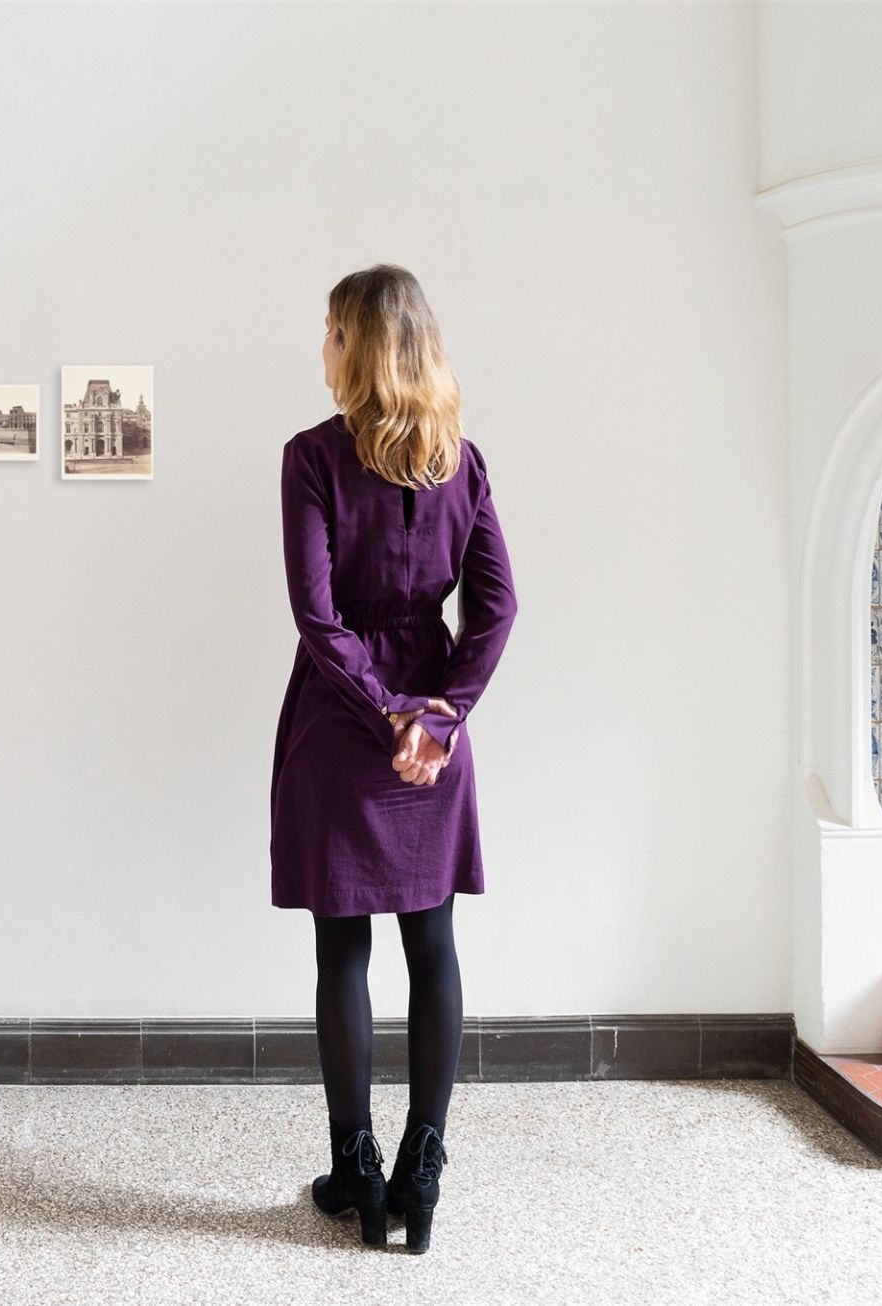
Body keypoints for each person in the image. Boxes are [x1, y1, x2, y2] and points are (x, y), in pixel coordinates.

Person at [269, 263, 519, 1253]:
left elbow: (318, 618)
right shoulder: (464, 461)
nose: (320, 348)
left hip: (340, 722)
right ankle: (424, 1166)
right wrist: (440, 715)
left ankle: (358, 1170)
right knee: (434, 945)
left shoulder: (311, 458)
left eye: (329, 332)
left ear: (358, 348)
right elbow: (494, 608)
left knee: (343, 949)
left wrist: (384, 714)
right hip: (429, 734)